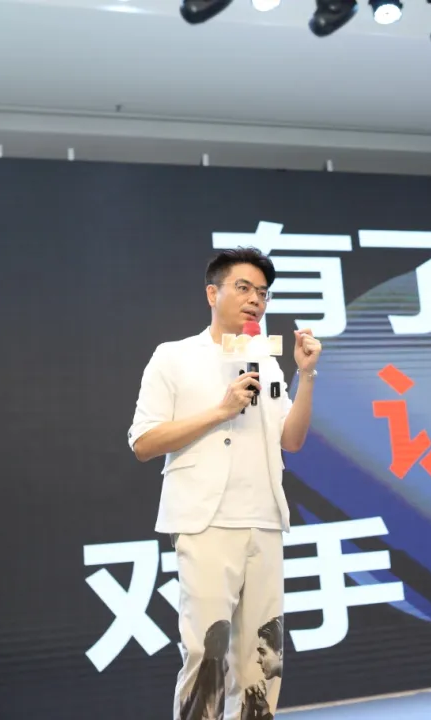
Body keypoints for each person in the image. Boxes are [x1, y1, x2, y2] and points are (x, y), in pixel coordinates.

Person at [127, 247, 322, 720]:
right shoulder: (174, 356)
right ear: (212, 294)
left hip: (265, 521)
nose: (255, 300)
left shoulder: (267, 362)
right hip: (206, 522)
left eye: (263, 293)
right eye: (244, 288)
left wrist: (307, 374)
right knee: (207, 654)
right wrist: (221, 410)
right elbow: (144, 442)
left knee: (263, 660)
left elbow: (291, 440)